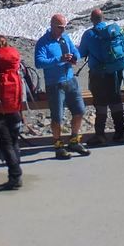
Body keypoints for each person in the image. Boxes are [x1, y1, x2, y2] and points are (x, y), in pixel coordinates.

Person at [35, 14, 90, 159]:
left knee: (79, 110)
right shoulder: (43, 42)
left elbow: (76, 51)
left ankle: (74, 140)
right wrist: (58, 59)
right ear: (52, 26)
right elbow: (39, 62)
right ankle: (58, 145)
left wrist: (74, 57)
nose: (62, 30)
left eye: (64, 27)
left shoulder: (66, 38)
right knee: (57, 117)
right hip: (54, 84)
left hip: (71, 80)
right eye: (59, 27)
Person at [78, 8, 124, 144]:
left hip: (98, 74)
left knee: (100, 104)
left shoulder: (89, 35)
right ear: (103, 18)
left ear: (91, 19)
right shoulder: (113, 32)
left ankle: (100, 135)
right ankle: (120, 133)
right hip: (115, 72)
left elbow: (81, 53)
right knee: (116, 101)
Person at [0, 35, 24, 189]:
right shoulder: (15, 63)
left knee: (5, 142)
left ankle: (15, 175)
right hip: (15, 106)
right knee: (14, 141)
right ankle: (16, 173)